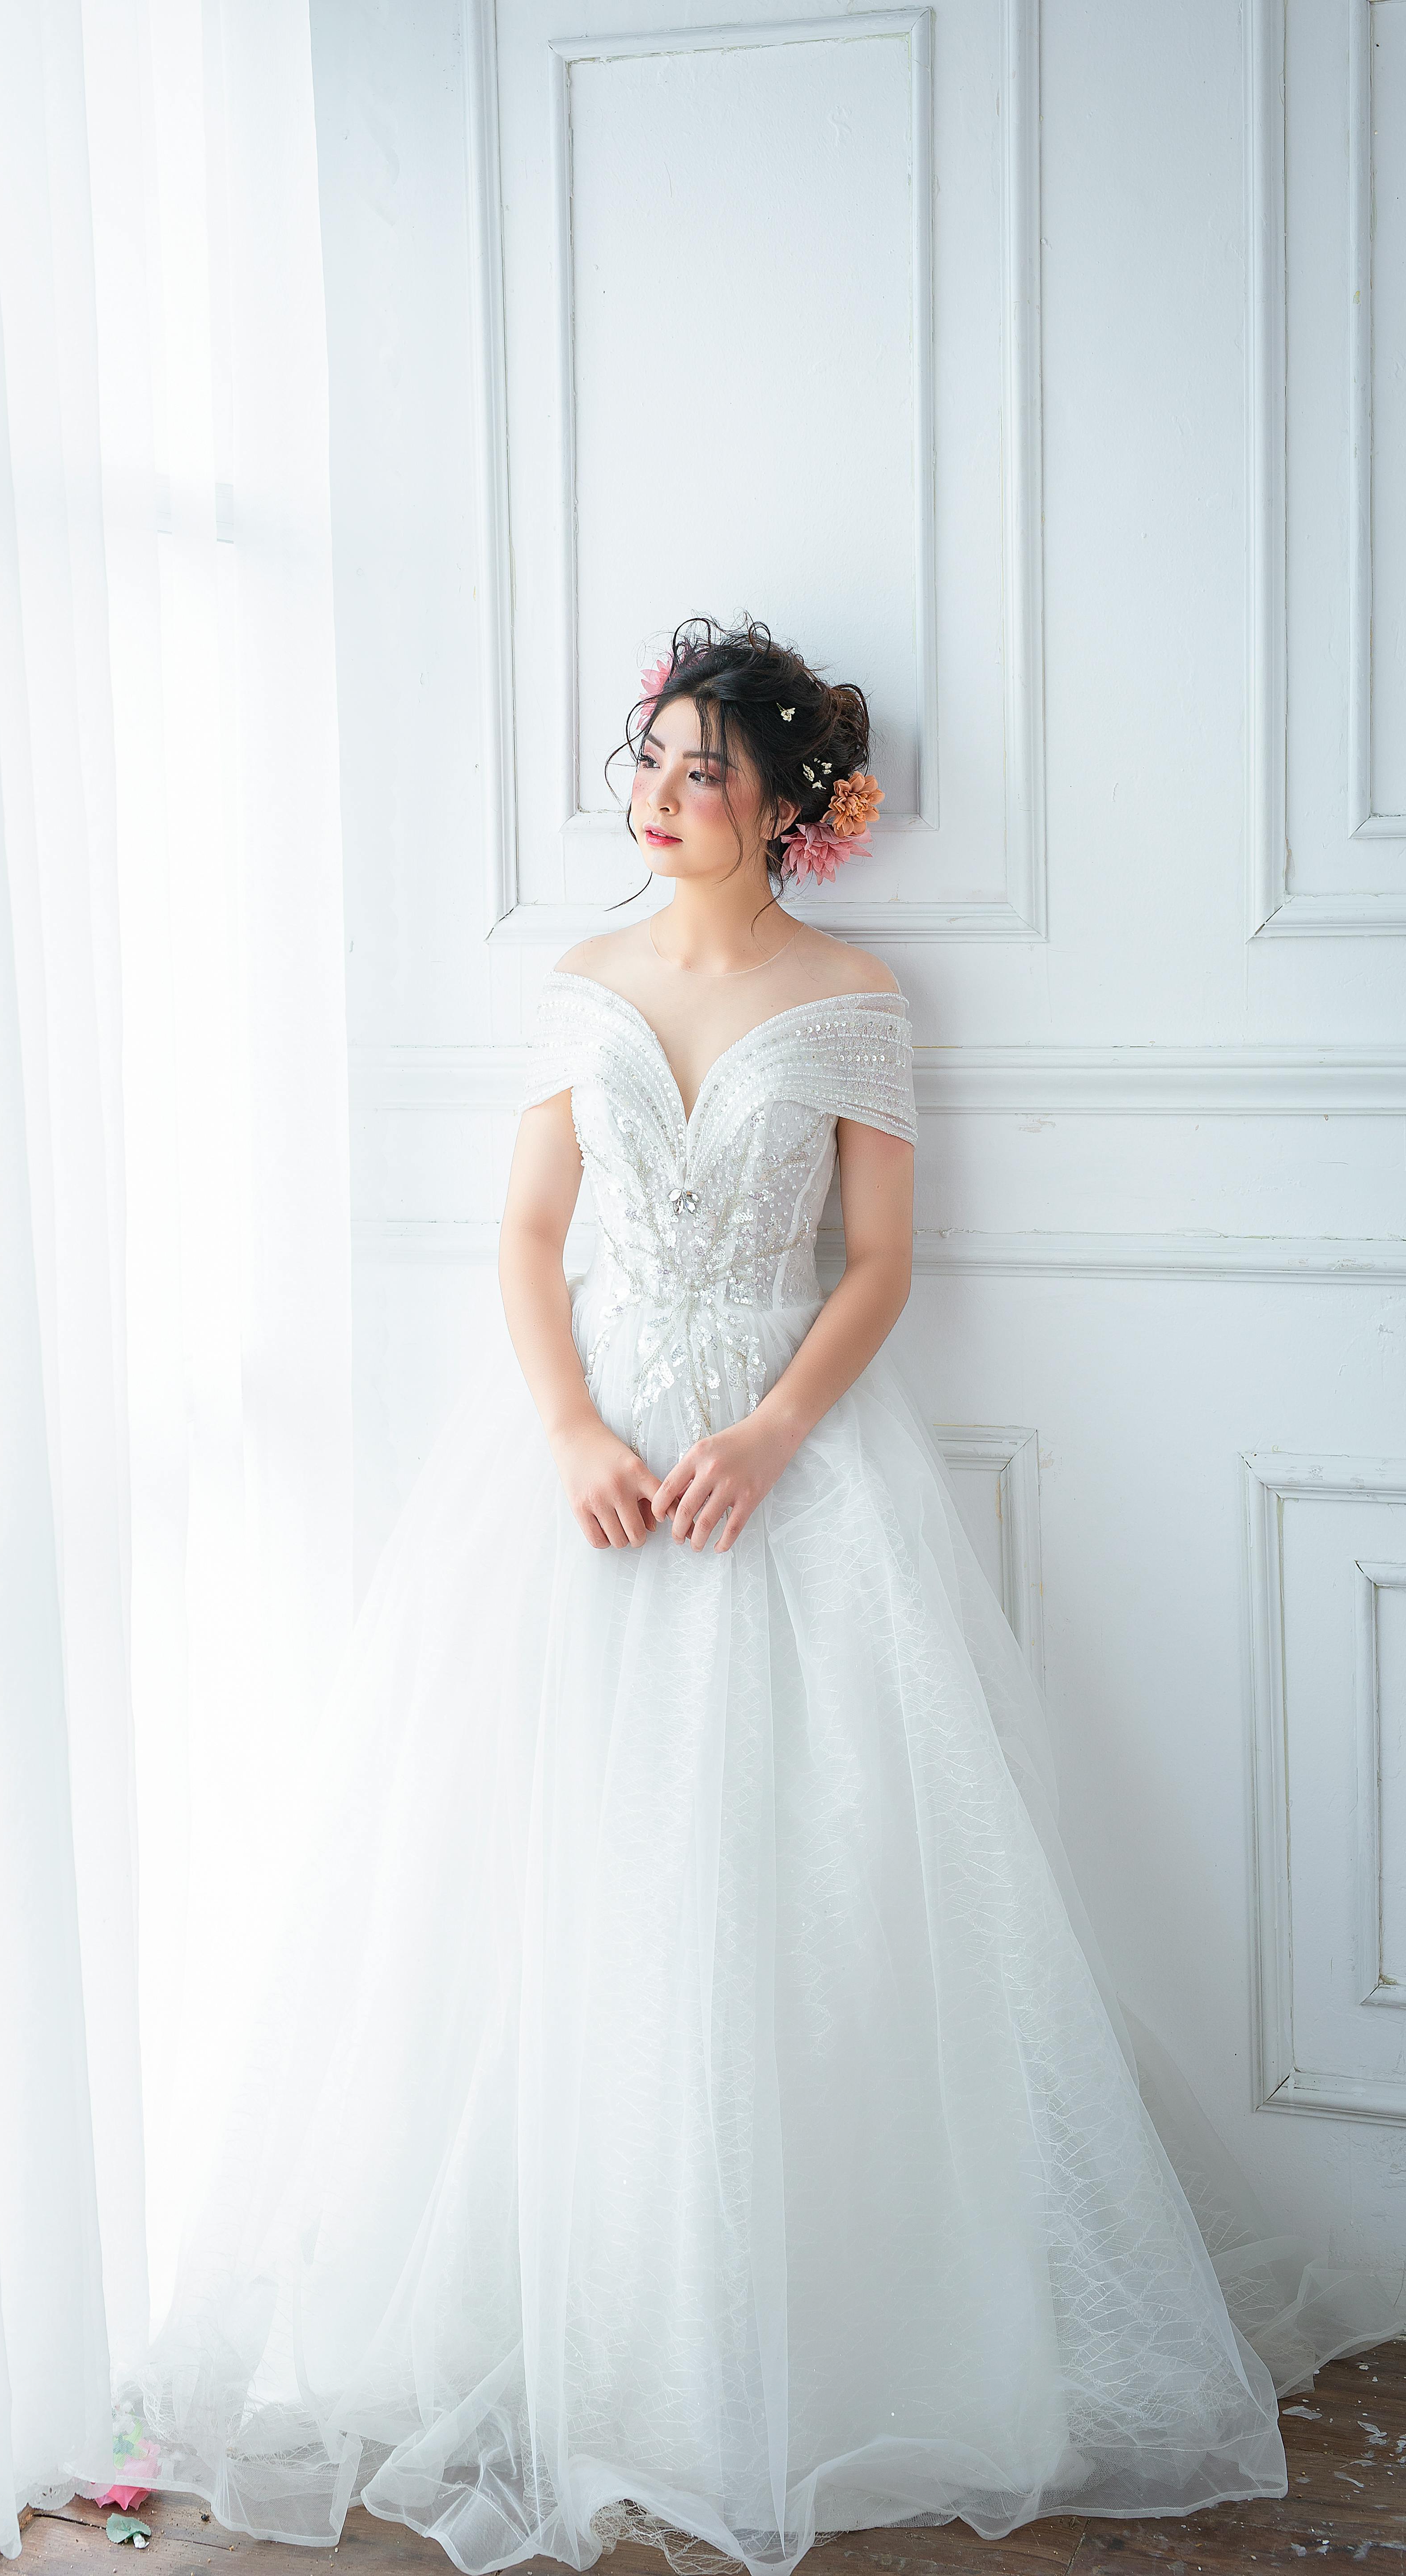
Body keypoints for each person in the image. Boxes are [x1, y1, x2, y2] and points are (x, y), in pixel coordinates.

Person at [122, 615, 1403, 2576]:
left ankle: (796, 2318)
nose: (656, 794)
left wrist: (778, 1434)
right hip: (589, 1473)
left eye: (699, 768)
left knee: (812, 1879)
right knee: (548, 1880)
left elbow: (877, 1259)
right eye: (644, 761)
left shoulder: (854, 996)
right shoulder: (580, 985)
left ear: (791, 805)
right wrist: (568, 1436)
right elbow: (530, 1236)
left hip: (785, 1477)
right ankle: (571, 2308)